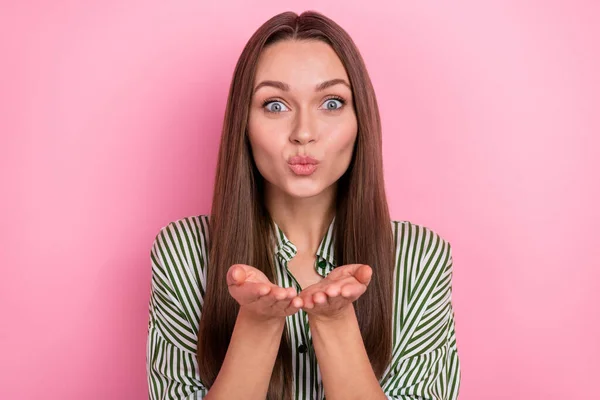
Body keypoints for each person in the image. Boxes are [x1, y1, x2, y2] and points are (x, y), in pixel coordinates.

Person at [146, 10, 460, 400]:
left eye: (331, 102)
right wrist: (258, 324)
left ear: (361, 118)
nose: (304, 134)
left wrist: (335, 322)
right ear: (243, 123)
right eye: (275, 105)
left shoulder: (419, 257)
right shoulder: (184, 252)